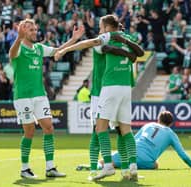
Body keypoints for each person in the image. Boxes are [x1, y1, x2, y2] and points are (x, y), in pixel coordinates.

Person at [55, 15, 144, 181]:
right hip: (126, 87)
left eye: (101, 27)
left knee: (99, 129)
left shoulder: (106, 38)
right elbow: (137, 53)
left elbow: (88, 44)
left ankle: (107, 167)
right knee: (124, 130)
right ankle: (129, 167)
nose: (99, 30)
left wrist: (65, 49)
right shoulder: (128, 38)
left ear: (108, 28)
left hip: (106, 89)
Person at [8, 18, 84, 179]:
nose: (34, 32)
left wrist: (73, 39)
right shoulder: (19, 47)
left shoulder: (39, 48)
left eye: (35, 29)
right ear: (23, 31)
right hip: (23, 96)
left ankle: (50, 167)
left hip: (39, 94)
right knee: (29, 131)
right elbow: (12, 54)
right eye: (30, 29)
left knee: (49, 127)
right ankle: (24, 168)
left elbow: (57, 50)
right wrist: (18, 38)